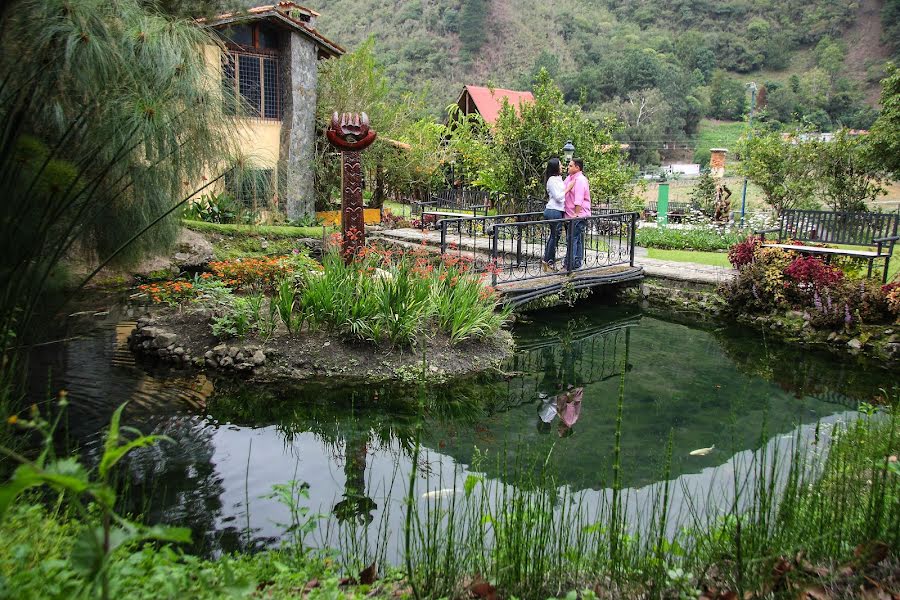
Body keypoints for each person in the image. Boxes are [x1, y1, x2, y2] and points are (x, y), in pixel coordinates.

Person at [541, 158, 575, 272]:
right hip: (553, 210)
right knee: (554, 236)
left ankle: (548, 262)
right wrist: (568, 189)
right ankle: (548, 261)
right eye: (560, 165)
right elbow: (559, 197)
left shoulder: (558, 179)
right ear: (555, 167)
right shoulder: (552, 180)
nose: (562, 167)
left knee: (554, 236)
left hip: (558, 211)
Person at [564, 158, 591, 270]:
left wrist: (576, 214)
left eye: (570, 166)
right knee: (577, 239)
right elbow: (563, 190)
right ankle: (576, 263)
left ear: (577, 168)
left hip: (578, 216)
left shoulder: (580, 180)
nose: (568, 167)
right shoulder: (569, 178)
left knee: (572, 239)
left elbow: (579, 199)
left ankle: (570, 265)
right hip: (570, 215)